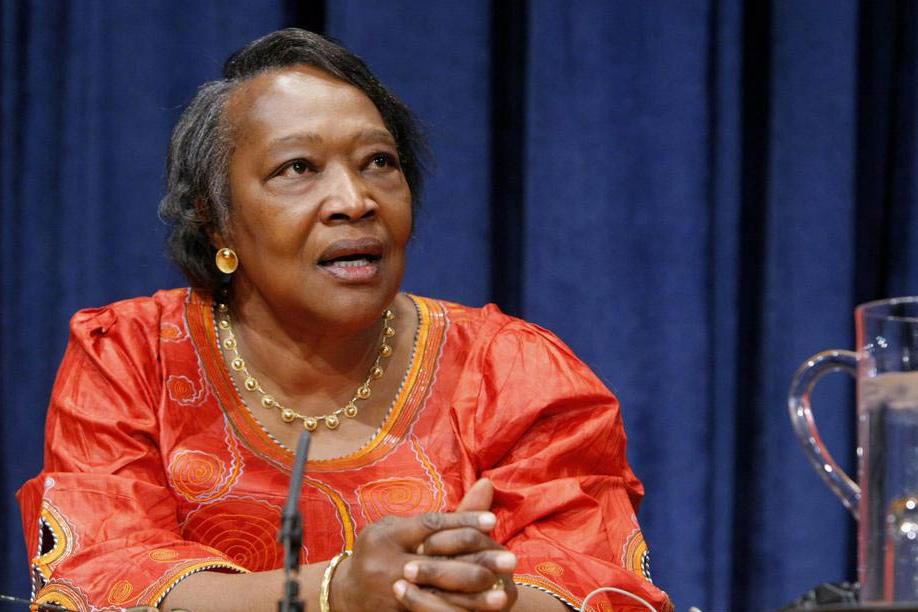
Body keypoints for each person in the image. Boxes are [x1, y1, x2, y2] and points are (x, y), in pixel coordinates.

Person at [17, 29, 672, 612]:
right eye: (297, 169)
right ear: (216, 221)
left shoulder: (512, 372)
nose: (355, 200)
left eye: (378, 163)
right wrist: (338, 592)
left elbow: (600, 584)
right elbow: (99, 577)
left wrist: (474, 596)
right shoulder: (133, 355)